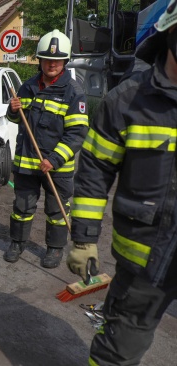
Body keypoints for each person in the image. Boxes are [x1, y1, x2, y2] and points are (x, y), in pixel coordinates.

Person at [67, 2, 177, 364]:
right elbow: (95, 170)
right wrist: (84, 238)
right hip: (144, 261)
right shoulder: (127, 101)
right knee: (118, 351)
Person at [4, 29, 89, 268]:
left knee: (57, 211)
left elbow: (77, 134)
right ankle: (17, 243)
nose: (52, 64)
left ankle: (54, 249)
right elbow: (15, 120)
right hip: (26, 164)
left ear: (64, 62)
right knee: (21, 208)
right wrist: (12, 110)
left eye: (57, 60)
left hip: (56, 167)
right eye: (47, 59)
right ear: (39, 60)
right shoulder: (27, 87)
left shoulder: (74, 92)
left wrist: (54, 160)